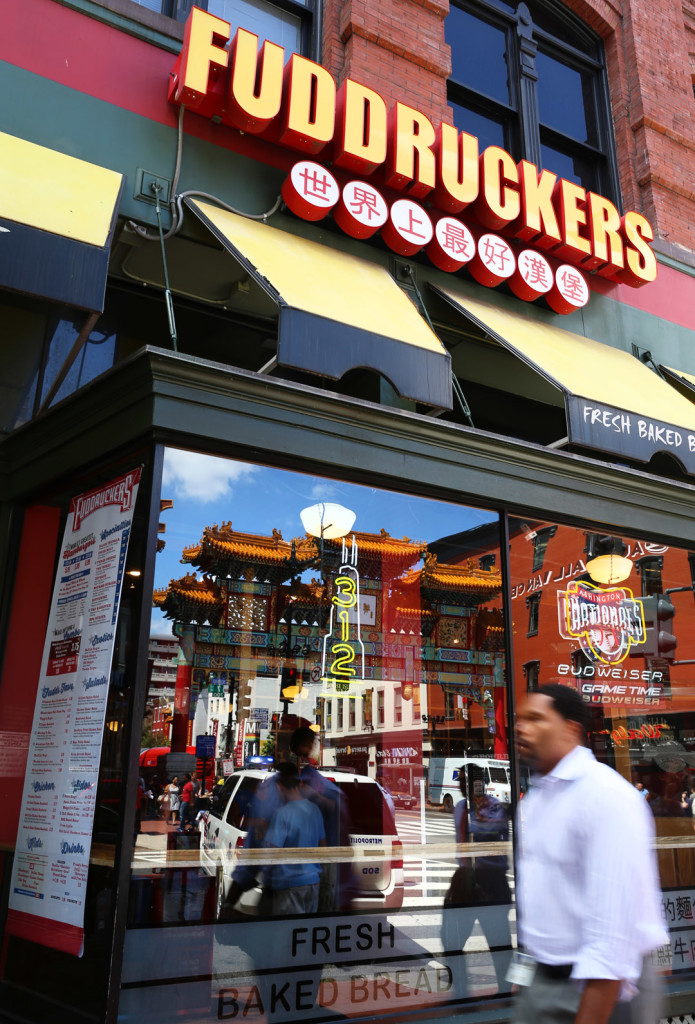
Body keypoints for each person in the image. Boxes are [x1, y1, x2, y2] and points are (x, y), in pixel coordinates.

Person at [514, 684, 668, 1024]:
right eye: (520, 719)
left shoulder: (605, 796)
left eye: (536, 719)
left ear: (570, 730)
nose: (521, 728)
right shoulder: (539, 798)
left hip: (602, 987)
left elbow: (613, 935)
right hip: (546, 976)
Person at [442, 767, 512, 998]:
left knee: (498, 940)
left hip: (491, 880)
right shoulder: (461, 808)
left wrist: (477, 808)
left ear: (478, 784)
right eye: (460, 781)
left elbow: (496, 829)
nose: (462, 786)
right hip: (466, 878)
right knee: (451, 938)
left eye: (466, 782)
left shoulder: (493, 807)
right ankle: (460, 990)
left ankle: (504, 989)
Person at [263, 761, 326, 915]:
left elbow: (272, 853)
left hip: (289, 886)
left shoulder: (282, 814)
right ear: (299, 784)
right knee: (305, 935)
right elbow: (323, 846)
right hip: (312, 883)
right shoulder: (314, 810)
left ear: (279, 787)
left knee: (288, 934)